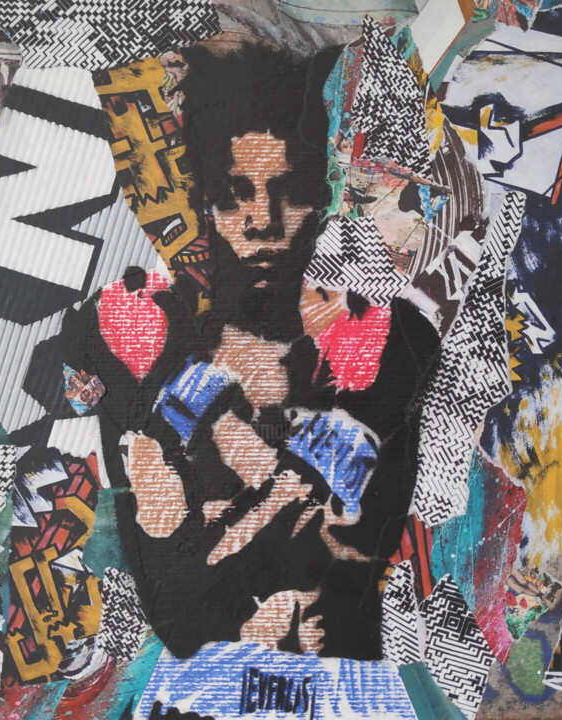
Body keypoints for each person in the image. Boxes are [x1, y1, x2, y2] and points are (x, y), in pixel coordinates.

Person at [60, 42, 440, 660]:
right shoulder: (149, 351)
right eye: (235, 193)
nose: (262, 220)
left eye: (287, 191)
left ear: (323, 195)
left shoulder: (391, 344)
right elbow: (172, 606)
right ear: (207, 202)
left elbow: (369, 555)